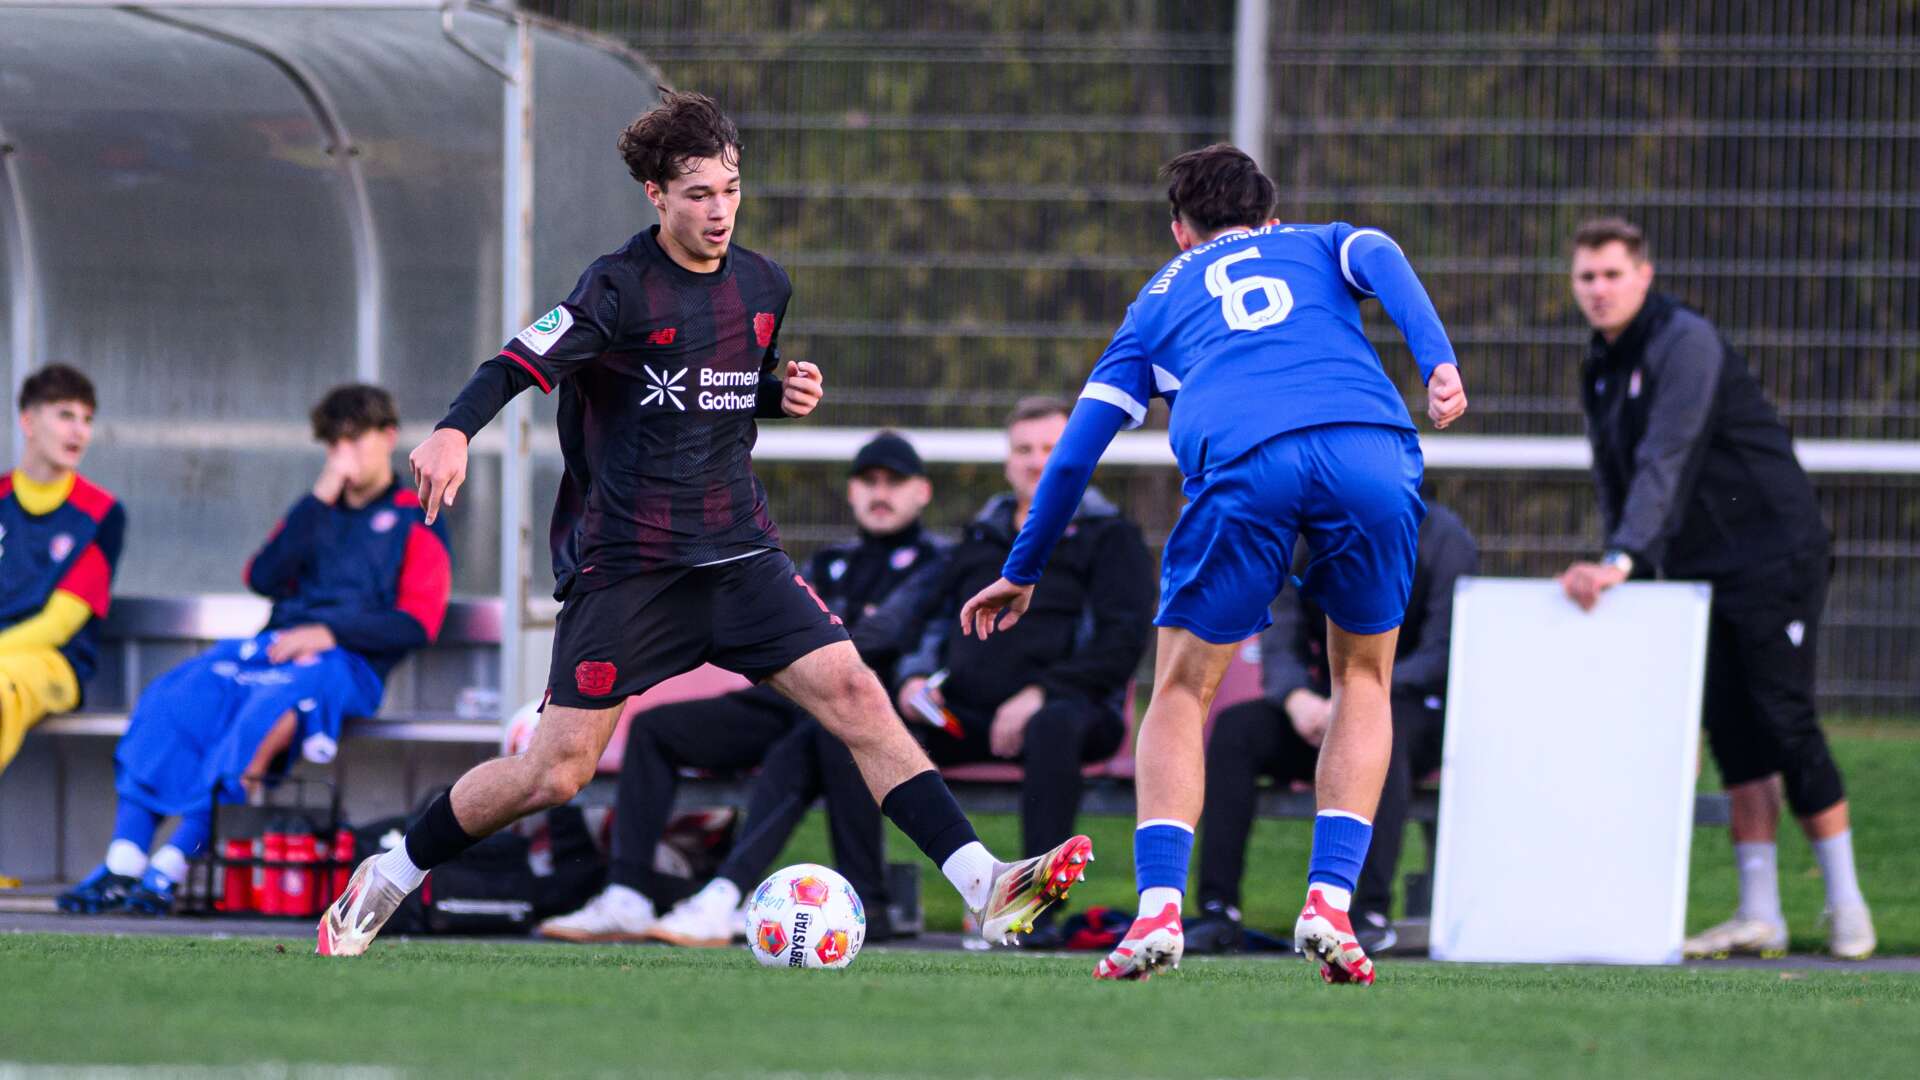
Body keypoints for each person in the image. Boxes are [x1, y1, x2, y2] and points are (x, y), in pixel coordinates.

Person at [320, 91, 1090, 956]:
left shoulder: (764, 284)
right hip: (632, 569)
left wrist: (777, 394)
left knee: (855, 696)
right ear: (656, 194)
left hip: (740, 555)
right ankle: (389, 874)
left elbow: (722, 390)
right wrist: (455, 429)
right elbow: (517, 360)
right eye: (696, 193)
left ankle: (983, 883)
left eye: (729, 189)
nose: (718, 210)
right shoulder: (616, 288)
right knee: (555, 773)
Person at [961, 143, 1466, 984]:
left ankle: (1160, 908)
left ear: (1179, 233)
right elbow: (1379, 250)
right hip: (1371, 450)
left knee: (1180, 691)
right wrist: (1437, 359)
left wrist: (1026, 564)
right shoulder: (1315, 241)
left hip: (1246, 465)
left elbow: (1077, 450)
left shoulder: (1157, 300)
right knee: (1364, 681)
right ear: (1269, 218)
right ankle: (1330, 902)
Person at [1557, 217, 1873, 960]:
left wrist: (1628, 556)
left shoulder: (1685, 341)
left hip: (1772, 555)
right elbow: (1616, 476)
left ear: (1644, 273)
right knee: (1732, 731)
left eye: (1611, 274)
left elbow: (1668, 454)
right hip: (1697, 569)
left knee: (1784, 718)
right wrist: (1623, 557)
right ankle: (1760, 913)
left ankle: (1848, 905)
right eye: (1586, 277)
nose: (1599, 290)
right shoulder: (1599, 363)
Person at [537, 431, 946, 945]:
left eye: (894, 482)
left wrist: (824, 637)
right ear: (851, 491)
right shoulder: (831, 560)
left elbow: (886, 634)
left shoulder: (937, 562)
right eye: (868, 481)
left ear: (923, 493)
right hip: (784, 697)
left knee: (819, 738)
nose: (879, 493)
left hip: (857, 707)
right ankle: (627, 894)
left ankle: (726, 894)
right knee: (656, 729)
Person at [58, 384, 450, 915]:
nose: (344, 453)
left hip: (345, 665)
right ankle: (123, 862)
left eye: (355, 439)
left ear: (386, 437)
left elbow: (418, 621)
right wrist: (319, 499)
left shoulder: (413, 514)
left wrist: (332, 634)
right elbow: (262, 575)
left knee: (265, 716)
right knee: (175, 696)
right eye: (334, 442)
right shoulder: (316, 509)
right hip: (271, 649)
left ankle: (167, 870)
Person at [891, 396, 1153, 944]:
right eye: (1023, 450)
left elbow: (1122, 644)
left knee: (1051, 726)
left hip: (1072, 712)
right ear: (1008, 461)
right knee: (867, 730)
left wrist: (1041, 693)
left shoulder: (1111, 536)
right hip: (965, 715)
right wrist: (914, 680)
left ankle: (1035, 911)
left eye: (1051, 449)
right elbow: (933, 621)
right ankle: (868, 901)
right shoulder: (981, 536)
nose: (1036, 461)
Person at [1190, 502, 1477, 956]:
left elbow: (1444, 651)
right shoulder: (1303, 532)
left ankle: (1368, 914)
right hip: (1322, 711)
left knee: (1386, 733)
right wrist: (1296, 698)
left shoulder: (1443, 537)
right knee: (1235, 730)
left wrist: (1357, 700)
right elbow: (1279, 630)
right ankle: (1218, 911)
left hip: (1405, 707)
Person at [1, 365, 125, 778]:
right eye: (65, 415)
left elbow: (58, 624)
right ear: (28, 421)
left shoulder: (100, 514)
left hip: (54, 664)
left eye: (87, 419)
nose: (80, 431)